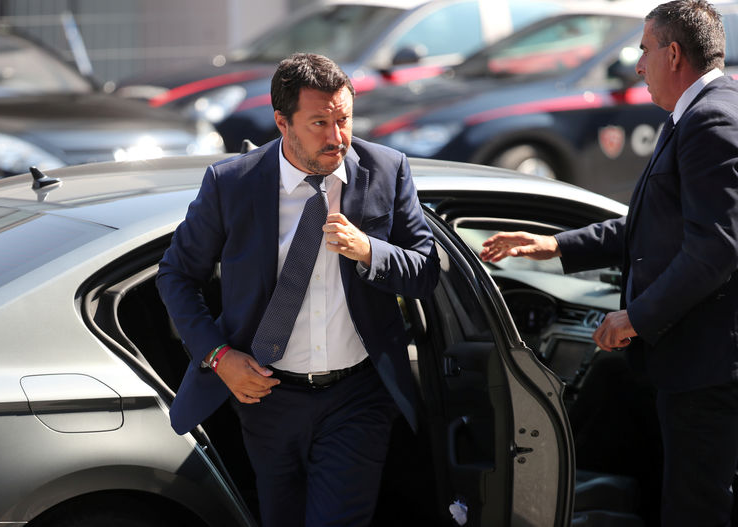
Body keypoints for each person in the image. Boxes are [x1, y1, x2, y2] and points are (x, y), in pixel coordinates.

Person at [480, 1, 738, 525]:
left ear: (672, 53)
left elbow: (715, 248)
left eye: (644, 51)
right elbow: (653, 226)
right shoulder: (693, 113)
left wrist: (635, 317)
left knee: (697, 510)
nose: (638, 66)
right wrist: (552, 245)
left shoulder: (711, 119)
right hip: (688, 366)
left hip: (706, 370)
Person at [156, 52, 440, 526]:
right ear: (282, 123)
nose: (337, 137)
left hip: (358, 397)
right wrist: (219, 358)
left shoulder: (387, 171)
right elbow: (176, 276)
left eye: (344, 119)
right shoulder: (233, 184)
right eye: (319, 123)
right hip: (267, 397)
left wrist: (369, 250)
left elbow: (427, 270)